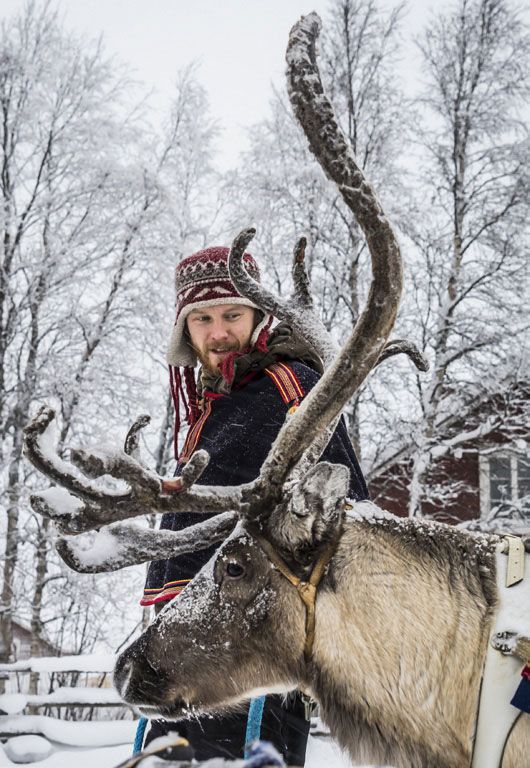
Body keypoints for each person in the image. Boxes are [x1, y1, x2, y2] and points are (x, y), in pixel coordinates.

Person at [141, 245, 369, 764]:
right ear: (186, 329)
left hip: (246, 660)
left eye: (232, 315)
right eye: (202, 318)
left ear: (258, 317)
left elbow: (348, 511)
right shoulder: (217, 403)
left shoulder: (291, 387)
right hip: (179, 655)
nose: (218, 332)